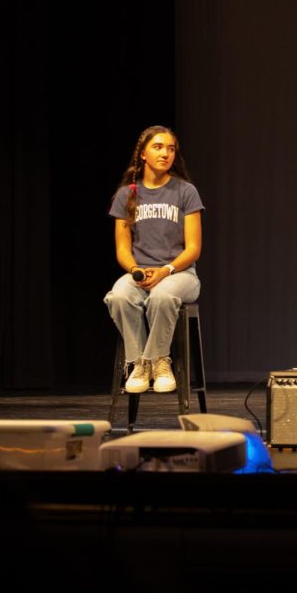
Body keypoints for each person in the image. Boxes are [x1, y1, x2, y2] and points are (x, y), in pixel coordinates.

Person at [104, 126, 204, 394]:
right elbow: (123, 249)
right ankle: (138, 363)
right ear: (144, 154)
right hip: (141, 273)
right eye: (158, 147)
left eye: (171, 148)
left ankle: (160, 362)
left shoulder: (185, 192)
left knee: (162, 296)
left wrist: (166, 270)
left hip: (180, 274)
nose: (165, 153)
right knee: (119, 296)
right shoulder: (127, 194)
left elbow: (193, 248)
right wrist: (136, 271)